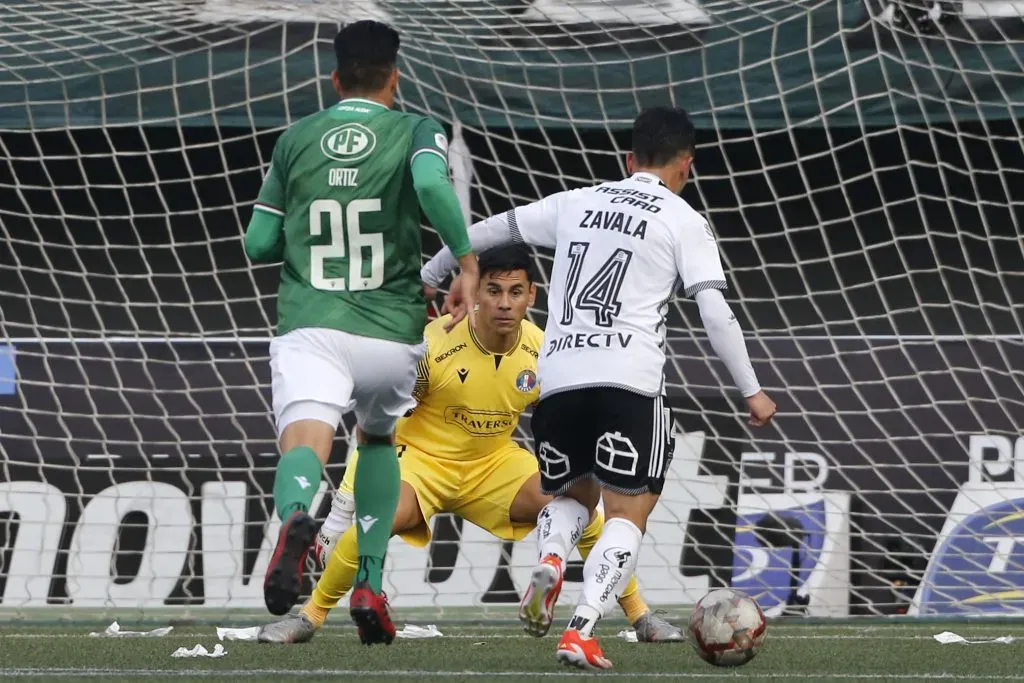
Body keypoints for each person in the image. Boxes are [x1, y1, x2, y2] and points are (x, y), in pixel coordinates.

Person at [419, 107, 777, 670]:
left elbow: (485, 231)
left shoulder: (574, 201)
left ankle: (553, 562)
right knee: (627, 514)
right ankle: (582, 628)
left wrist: (437, 272)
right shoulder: (683, 219)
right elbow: (715, 311)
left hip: (558, 379)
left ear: (628, 160)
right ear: (687, 165)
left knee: (570, 497)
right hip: (629, 382)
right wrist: (751, 389)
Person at [256, 245, 683, 645]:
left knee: (581, 504)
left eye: (515, 292)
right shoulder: (432, 345)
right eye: (493, 290)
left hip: (493, 462)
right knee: (374, 522)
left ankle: (639, 615)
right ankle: (308, 616)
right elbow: (374, 428)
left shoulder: (545, 350)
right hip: (419, 464)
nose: (504, 303)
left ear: (531, 294)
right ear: (472, 292)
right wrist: (341, 510)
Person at [243, 19, 479, 644]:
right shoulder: (415, 130)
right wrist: (466, 258)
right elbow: (431, 183)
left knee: (305, 436)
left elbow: (257, 242)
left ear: (334, 76)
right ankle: (369, 581)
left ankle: (298, 521)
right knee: (377, 442)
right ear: (394, 77)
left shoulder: (296, 140)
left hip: (314, 323)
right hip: (391, 332)